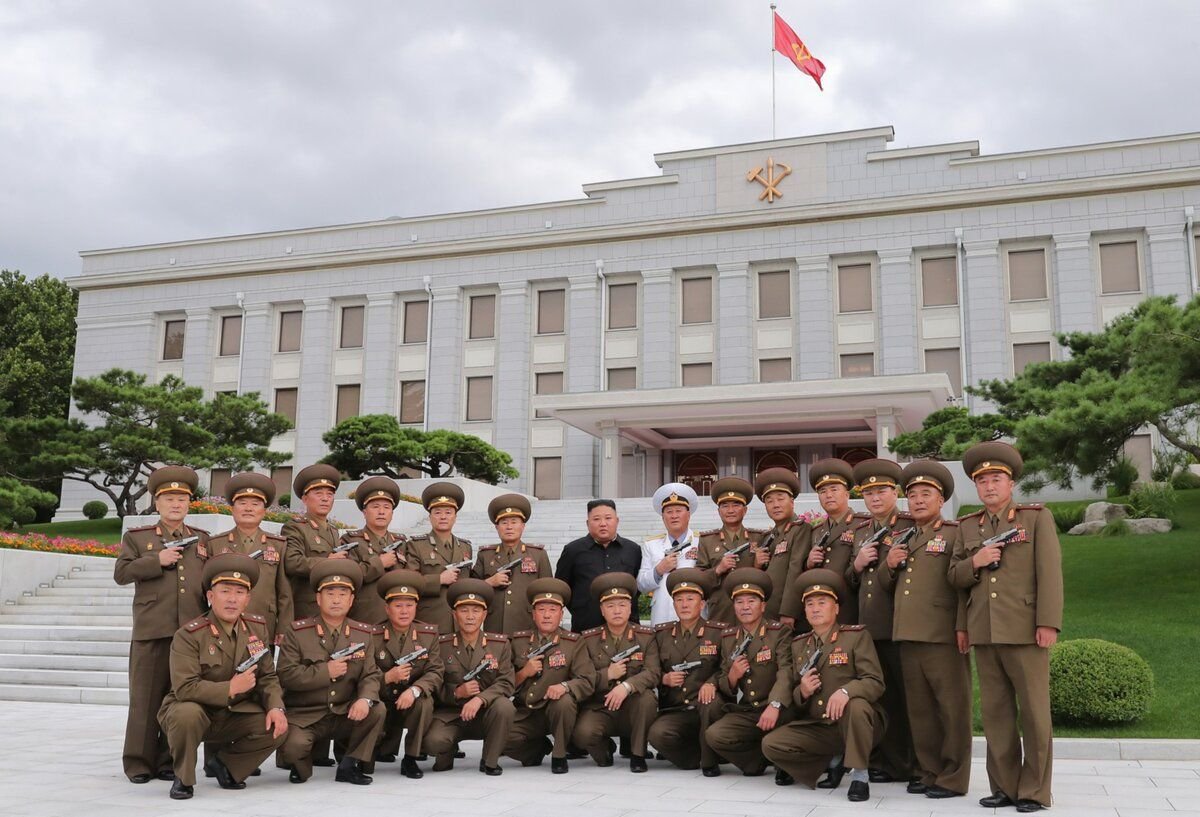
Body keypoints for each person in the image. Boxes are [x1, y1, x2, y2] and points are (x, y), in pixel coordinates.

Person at [950, 442, 1062, 814]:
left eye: (996, 479)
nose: (989, 486)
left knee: (1033, 713)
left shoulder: (1034, 518)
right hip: (984, 631)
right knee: (997, 715)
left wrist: (1048, 622)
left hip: (1025, 629)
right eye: (981, 481)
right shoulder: (969, 525)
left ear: (1011, 483)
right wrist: (976, 562)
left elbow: (1049, 576)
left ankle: (1034, 790)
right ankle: (1004, 786)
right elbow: (956, 578)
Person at [158, 553, 288, 800]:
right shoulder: (189, 634)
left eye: (240, 593)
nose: (232, 599)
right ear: (210, 596)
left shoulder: (257, 627)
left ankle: (227, 766)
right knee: (187, 713)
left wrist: (276, 708)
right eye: (225, 591)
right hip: (195, 710)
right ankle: (183, 778)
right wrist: (230, 687)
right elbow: (185, 688)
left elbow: (268, 677)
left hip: (233, 713)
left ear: (248, 599)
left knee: (278, 727)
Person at [114, 465, 209, 784]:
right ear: (156, 502)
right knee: (145, 698)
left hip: (189, 633)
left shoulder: (202, 539)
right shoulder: (138, 537)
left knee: (179, 698)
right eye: (169, 498)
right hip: (151, 630)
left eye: (182, 498)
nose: (176, 504)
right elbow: (122, 574)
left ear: (189, 503)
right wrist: (157, 561)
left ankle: (170, 760)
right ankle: (138, 762)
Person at [884, 459, 971, 799]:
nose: (918, 500)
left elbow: (964, 585)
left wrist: (962, 627)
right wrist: (889, 565)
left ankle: (954, 777)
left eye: (926, 494)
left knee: (951, 709)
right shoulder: (904, 537)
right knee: (920, 712)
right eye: (912, 495)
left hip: (942, 635)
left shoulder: (953, 533)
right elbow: (888, 584)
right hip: (907, 634)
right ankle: (928, 770)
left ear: (941, 499)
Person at [761, 568, 885, 803]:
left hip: (857, 723)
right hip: (822, 726)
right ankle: (832, 761)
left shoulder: (855, 637)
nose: (815, 608)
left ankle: (860, 776)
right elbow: (795, 693)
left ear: (836, 608)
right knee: (771, 744)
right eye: (809, 604)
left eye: (822, 602)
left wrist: (846, 691)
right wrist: (803, 692)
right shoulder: (799, 645)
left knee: (856, 705)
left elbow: (875, 682)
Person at [276, 561, 384, 785]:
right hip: (306, 715)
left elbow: (371, 675)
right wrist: (325, 671)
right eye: (330, 593)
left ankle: (349, 764)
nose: (336, 600)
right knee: (292, 750)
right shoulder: (297, 632)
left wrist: (364, 699)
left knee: (377, 708)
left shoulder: (363, 634)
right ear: (318, 598)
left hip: (344, 711)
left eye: (343, 594)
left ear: (351, 600)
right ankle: (302, 763)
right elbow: (286, 674)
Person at [845, 458, 916, 785]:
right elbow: (849, 580)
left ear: (895, 492)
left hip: (899, 625)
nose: (875, 498)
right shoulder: (860, 530)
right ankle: (889, 762)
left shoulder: (909, 524)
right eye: (869, 492)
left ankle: (914, 764)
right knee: (881, 697)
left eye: (882, 491)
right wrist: (857, 565)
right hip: (868, 628)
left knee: (907, 699)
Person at [705, 568, 794, 783]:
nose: (745, 607)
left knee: (781, 731)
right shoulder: (728, 637)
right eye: (739, 602)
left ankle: (783, 759)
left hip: (779, 708)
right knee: (714, 735)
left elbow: (786, 672)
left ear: (763, 606)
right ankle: (757, 759)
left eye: (751, 601)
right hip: (749, 709)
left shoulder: (778, 632)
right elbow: (724, 678)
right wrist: (733, 677)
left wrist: (774, 705)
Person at [425, 579, 516, 775]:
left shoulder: (500, 645)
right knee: (433, 743)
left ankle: (490, 760)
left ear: (484, 614)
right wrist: (456, 692)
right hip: (451, 714)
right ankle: (446, 753)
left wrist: (480, 699)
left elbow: (506, 682)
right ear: (454, 614)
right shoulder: (441, 645)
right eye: (464, 611)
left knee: (504, 707)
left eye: (476, 611)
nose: (470, 617)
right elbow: (433, 683)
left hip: (485, 714)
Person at [504, 578, 595, 773]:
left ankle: (559, 754)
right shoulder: (517, 641)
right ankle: (538, 749)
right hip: (527, 712)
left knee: (564, 702)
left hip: (557, 710)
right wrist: (523, 673)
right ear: (533, 614)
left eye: (553, 610)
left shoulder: (574, 642)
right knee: (498, 735)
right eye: (542, 610)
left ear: (561, 614)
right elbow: (503, 683)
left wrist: (564, 687)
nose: (547, 615)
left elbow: (587, 680)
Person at [574, 572, 660, 772]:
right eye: (610, 606)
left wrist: (627, 686)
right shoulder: (588, 640)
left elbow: (653, 672)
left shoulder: (646, 637)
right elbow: (583, 678)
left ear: (630, 608)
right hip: (601, 705)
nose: (617, 611)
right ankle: (605, 750)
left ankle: (637, 754)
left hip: (633, 705)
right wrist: (607, 675)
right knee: (582, 735)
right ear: (602, 610)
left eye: (622, 605)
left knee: (646, 699)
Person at [647, 568, 725, 776]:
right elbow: (651, 669)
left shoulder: (718, 633)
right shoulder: (662, 634)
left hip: (706, 706)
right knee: (656, 734)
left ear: (702, 604)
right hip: (676, 709)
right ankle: (696, 758)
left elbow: (725, 668)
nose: (684, 604)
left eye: (690, 599)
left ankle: (710, 762)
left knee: (711, 703)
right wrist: (663, 678)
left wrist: (712, 683)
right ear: (673, 604)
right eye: (679, 600)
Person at [369, 570, 443, 779]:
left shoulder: (428, 634)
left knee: (424, 702)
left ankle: (411, 757)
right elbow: (364, 673)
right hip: (382, 697)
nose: (404, 611)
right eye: (398, 605)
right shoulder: (372, 635)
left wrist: (415, 690)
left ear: (416, 607)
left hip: (410, 700)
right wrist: (387, 677)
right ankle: (373, 749)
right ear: (387, 608)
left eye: (409, 605)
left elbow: (435, 671)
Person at [207, 472, 293, 643]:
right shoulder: (215, 543)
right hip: (222, 625)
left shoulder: (278, 545)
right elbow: (206, 589)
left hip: (264, 623)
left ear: (264, 510)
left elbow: (284, 590)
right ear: (232, 508)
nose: (248, 508)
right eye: (242, 503)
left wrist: (283, 627)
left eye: (255, 504)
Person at [781, 459, 867, 625]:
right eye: (822, 491)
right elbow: (803, 570)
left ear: (847, 494)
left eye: (834, 489)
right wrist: (809, 563)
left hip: (850, 608)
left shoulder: (861, 524)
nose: (828, 495)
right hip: (820, 613)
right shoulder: (816, 530)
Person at [555, 499, 642, 632]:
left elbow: (639, 586)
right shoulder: (573, 550)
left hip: (626, 628)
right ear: (587, 523)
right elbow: (562, 588)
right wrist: (581, 609)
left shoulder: (633, 549)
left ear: (617, 521)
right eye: (596, 519)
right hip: (586, 627)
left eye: (608, 518)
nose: (603, 524)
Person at [472, 494, 552, 634]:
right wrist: (490, 582)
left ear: (523, 526)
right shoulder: (485, 555)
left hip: (527, 624)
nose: (509, 527)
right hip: (495, 625)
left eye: (514, 522)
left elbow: (546, 593)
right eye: (504, 523)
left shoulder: (538, 555)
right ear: (497, 527)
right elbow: (471, 589)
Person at [404, 482, 474, 633]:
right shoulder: (417, 545)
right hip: (430, 620)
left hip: (461, 624)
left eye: (448, 512)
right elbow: (410, 583)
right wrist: (439, 579)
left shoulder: (465, 547)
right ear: (430, 517)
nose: (443, 517)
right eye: (437, 512)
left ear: (455, 517)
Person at [696, 477, 766, 624]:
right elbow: (699, 580)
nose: (730, 510)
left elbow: (769, 576)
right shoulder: (707, 540)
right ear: (719, 511)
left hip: (752, 612)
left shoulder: (759, 538)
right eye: (725, 506)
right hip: (720, 611)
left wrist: (758, 566)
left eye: (736, 505)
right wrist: (718, 569)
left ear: (745, 510)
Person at [342, 475, 409, 625]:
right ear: (364, 512)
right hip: (365, 617)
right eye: (375, 507)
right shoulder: (350, 540)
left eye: (386, 507)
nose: (381, 512)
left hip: (397, 619)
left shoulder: (401, 541)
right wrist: (379, 563)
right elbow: (349, 577)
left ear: (392, 513)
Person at [282, 464, 344, 621]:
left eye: (329, 494)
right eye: (318, 493)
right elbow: (292, 562)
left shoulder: (333, 531)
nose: (325, 498)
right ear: (304, 499)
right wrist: (326, 563)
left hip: (333, 607)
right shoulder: (295, 527)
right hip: (307, 608)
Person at [754, 467, 812, 626]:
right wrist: (757, 564)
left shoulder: (801, 529)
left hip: (788, 616)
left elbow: (796, 570)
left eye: (780, 499)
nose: (775, 505)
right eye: (770, 501)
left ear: (792, 502)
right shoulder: (767, 537)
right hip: (768, 612)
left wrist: (789, 612)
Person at [637, 483, 701, 626]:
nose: (674, 516)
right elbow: (641, 584)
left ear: (688, 514)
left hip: (695, 616)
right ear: (662, 517)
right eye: (669, 512)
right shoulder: (651, 545)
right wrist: (659, 570)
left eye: (678, 511)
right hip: (662, 613)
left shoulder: (701, 542)